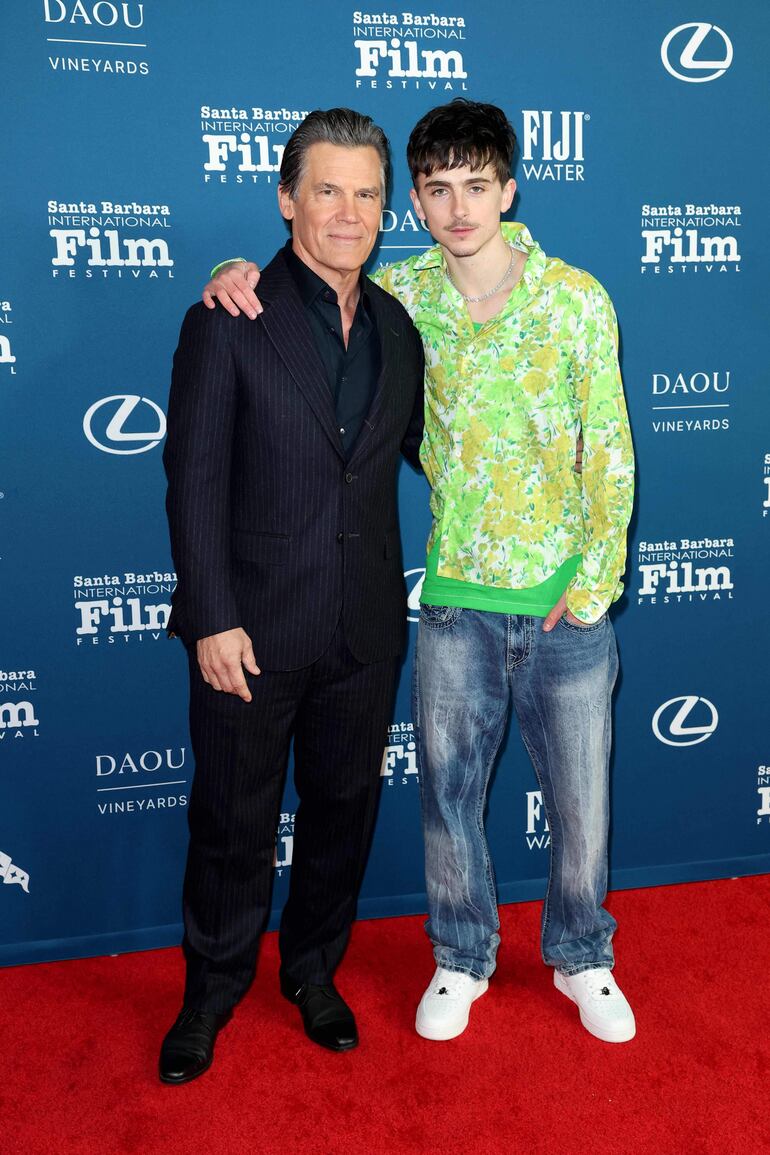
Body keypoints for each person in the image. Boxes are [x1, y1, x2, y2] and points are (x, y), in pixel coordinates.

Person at [203, 99, 636, 1045]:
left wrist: (593, 582)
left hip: (564, 601)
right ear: (420, 203)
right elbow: (299, 296)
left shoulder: (576, 298)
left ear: (508, 189)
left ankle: (582, 954)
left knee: (583, 801)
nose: (457, 208)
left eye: (476, 186)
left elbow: (608, 449)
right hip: (448, 605)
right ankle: (460, 954)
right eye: (436, 190)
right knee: (446, 798)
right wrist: (228, 274)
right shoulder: (405, 299)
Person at [160, 107, 424, 1085]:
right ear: (285, 200)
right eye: (326, 190)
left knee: (342, 809)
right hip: (252, 629)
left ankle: (311, 967)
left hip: (362, 628)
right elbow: (191, 477)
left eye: (365, 193)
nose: (347, 212)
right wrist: (211, 616)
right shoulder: (226, 318)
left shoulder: (401, 327)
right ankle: (211, 989)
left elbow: (417, 453)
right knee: (231, 819)